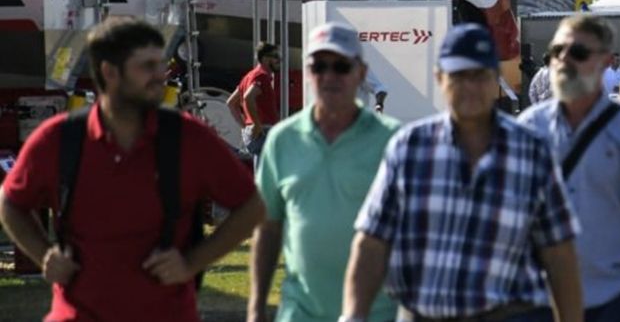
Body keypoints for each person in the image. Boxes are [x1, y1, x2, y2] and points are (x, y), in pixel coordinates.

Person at [0, 17, 265, 320]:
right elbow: (11, 201)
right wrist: (44, 254)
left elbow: (253, 206)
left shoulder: (188, 138)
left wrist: (192, 262)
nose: (160, 76)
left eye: (160, 64)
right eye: (147, 67)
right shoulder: (60, 139)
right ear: (109, 72)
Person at [343, 23, 584, 322]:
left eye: (479, 76)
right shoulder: (410, 148)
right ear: (439, 78)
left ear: (495, 79)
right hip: (424, 313)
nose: (470, 87)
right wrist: (353, 315)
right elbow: (372, 240)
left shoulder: (532, 152)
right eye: (459, 76)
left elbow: (559, 253)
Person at [520, 15, 620, 322]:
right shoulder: (528, 129)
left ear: (605, 62)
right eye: (556, 51)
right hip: (539, 297)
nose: (563, 60)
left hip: (610, 295)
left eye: (577, 52)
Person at [249, 22, 401, 322]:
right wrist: (256, 308)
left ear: (360, 73)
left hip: (378, 314)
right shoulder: (283, 139)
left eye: (341, 66)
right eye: (319, 66)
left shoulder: (393, 140)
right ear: (307, 73)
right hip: (301, 313)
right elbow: (267, 228)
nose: (329, 76)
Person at [235, 41, 282, 158]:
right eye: (276, 56)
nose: (279, 60)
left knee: (261, 170)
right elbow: (248, 97)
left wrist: (244, 126)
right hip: (263, 132)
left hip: (254, 133)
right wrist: (257, 124)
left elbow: (231, 103)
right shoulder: (262, 76)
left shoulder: (248, 77)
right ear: (265, 59)